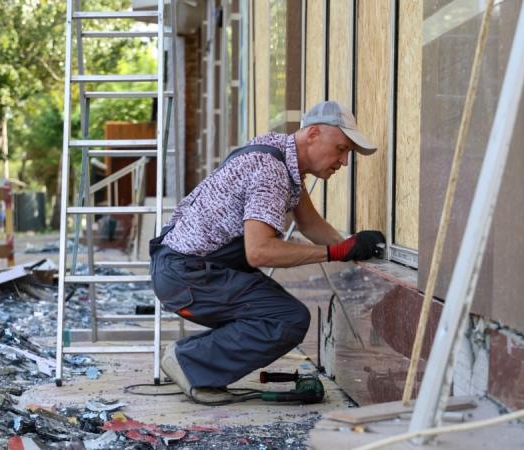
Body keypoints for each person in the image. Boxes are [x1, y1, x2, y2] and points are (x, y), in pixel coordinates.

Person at [149, 100, 385, 404]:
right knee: (286, 319)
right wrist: (336, 252)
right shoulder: (271, 172)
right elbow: (259, 252)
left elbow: (310, 224)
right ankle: (190, 361)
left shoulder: (279, 154)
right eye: (340, 149)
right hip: (187, 275)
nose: (343, 162)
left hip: (187, 270)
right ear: (313, 134)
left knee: (280, 313)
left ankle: (194, 362)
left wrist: (353, 247)